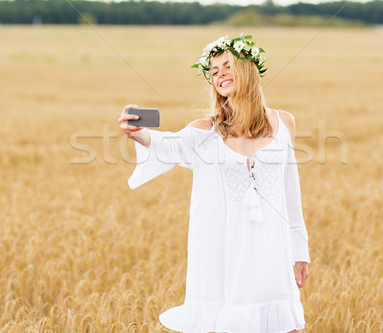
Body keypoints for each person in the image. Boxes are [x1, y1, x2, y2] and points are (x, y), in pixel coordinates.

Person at [118, 33, 310, 333]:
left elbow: (291, 191)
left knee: (287, 326)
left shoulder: (284, 122)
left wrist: (300, 251)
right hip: (227, 250)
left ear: (247, 69)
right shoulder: (204, 131)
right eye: (214, 71)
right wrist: (138, 133)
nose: (219, 75)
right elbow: (168, 145)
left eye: (226, 66)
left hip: (272, 248)